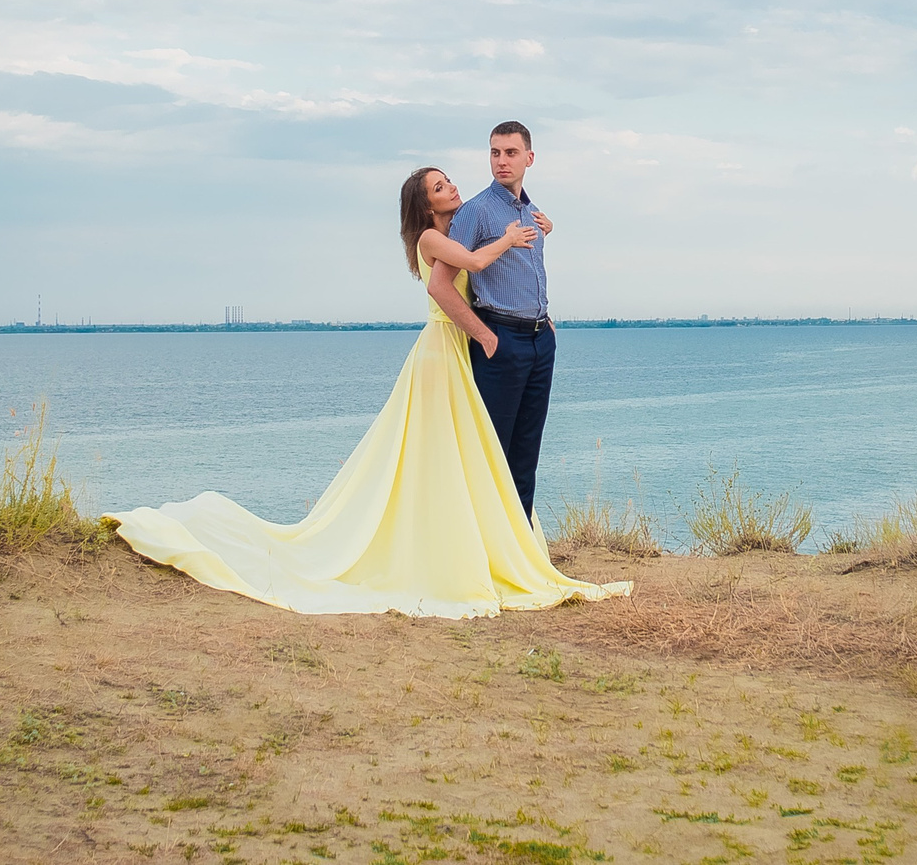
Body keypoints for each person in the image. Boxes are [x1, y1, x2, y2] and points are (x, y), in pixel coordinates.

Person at [106, 159, 629, 617]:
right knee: (439, 456)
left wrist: (539, 230)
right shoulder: (432, 238)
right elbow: (464, 271)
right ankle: (449, 552)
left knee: (466, 456)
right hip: (442, 351)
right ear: (424, 206)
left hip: (464, 348)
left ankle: (484, 545)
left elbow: (501, 266)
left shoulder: (466, 224)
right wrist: (504, 263)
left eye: (448, 182)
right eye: (440, 187)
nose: (452, 189)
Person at [445, 120, 556, 520]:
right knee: (492, 452)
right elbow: (442, 283)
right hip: (501, 340)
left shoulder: (533, 212)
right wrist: (484, 336)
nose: (501, 161)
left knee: (527, 453)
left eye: (510, 153)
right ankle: (487, 552)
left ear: (529, 157)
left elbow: (528, 270)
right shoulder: (474, 212)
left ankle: (521, 553)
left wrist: (546, 319)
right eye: (495, 152)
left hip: (540, 342)